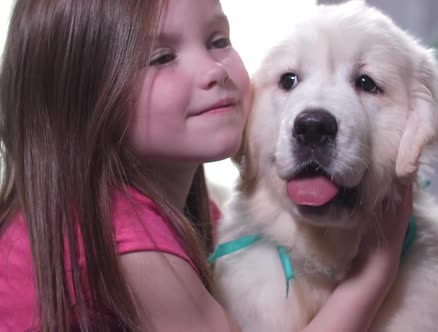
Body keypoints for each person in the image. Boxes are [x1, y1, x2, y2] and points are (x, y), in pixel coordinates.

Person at [0, 0, 413, 331]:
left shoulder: (179, 214)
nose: (214, 70)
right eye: (162, 57)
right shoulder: (134, 247)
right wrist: (374, 270)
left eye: (217, 40)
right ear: (82, 103)